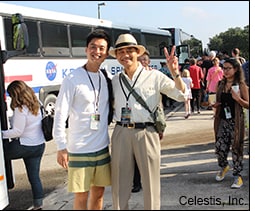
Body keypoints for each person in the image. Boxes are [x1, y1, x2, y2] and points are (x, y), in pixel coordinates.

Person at [108, 33, 187, 210]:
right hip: (121, 132)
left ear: (138, 53)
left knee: (151, 183)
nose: (125, 55)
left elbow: (182, 95)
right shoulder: (114, 80)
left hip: (147, 132)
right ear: (117, 56)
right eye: (121, 51)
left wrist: (175, 73)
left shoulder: (155, 76)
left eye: (130, 50)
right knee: (119, 183)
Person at [52, 29, 112, 210]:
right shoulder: (72, 78)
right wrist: (61, 146)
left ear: (107, 53)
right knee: (81, 196)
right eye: (93, 47)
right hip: (79, 149)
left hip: (101, 147)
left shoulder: (105, 77)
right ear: (86, 49)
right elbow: (60, 113)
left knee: (99, 193)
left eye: (102, 48)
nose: (97, 51)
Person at [2, 80, 45, 210]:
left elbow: (17, 132)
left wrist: (1, 134)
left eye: (10, 95)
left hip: (25, 146)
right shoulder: (37, 103)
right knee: (34, 177)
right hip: (39, 145)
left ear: (16, 94)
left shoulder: (20, 108)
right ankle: (38, 205)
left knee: (1, 153)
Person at [213, 58, 249, 189]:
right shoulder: (220, 84)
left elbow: (249, 104)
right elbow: (218, 102)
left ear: (235, 69)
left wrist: (238, 99)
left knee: (236, 148)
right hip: (223, 120)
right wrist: (215, 105)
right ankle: (224, 166)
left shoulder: (241, 85)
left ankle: (237, 175)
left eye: (229, 68)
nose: (226, 71)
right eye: (224, 68)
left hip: (236, 122)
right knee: (219, 147)